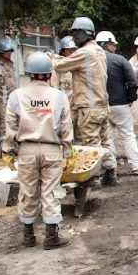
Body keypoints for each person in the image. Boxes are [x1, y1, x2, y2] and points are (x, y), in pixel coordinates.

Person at [2, 52, 73, 249]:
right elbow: (66, 127)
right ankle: (51, 237)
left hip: (27, 150)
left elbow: (10, 127)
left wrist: (8, 150)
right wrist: (68, 152)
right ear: (49, 74)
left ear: (29, 73)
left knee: (28, 191)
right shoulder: (59, 97)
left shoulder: (16, 96)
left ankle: (28, 235)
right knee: (50, 191)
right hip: (52, 150)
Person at [53, 17, 115, 185]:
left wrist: (50, 58)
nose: (74, 38)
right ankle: (110, 172)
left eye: (75, 34)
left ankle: (95, 178)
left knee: (92, 145)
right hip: (102, 105)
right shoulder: (100, 51)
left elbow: (60, 67)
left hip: (89, 107)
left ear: (83, 34)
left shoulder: (84, 52)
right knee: (105, 141)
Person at [97, 30, 138, 178]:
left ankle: (111, 169)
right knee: (128, 135)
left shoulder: (92, 60)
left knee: (108, 138)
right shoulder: (120, 60)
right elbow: (132, 81)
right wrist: (130, 98)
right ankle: (136, 166)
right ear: (106, 44)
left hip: (101, 105)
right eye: (113, 44)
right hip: (121, 104)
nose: (115, 47)